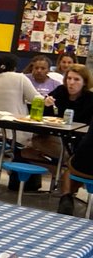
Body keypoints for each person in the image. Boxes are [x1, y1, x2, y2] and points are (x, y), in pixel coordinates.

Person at [21, 65, 93, 214]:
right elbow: (46, 115)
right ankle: (63, 175)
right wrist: (46, 105)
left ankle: (66, 179)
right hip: (58, 137)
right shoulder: (60, 91)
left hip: (80, 142)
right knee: (27, 151)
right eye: (69, 79)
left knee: (40, 143)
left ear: (85, 82)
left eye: (76, 79)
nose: (71, 83)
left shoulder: (90, 99)